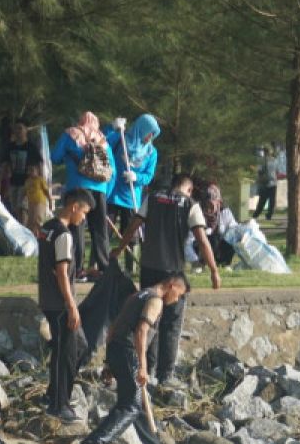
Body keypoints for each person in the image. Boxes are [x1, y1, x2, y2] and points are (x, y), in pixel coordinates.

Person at [113, 173, 220, 387]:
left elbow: (134, 225)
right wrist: (214, 270)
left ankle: (148, 370)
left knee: (150, 318)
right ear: (188, 189)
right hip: (173, 274)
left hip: (149, 269)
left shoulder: (152, 198)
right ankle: (165, 376)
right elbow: (202, 239)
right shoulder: (189, 204)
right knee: (171, 323)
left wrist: (119, 248)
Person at [77, 272, 189, 444]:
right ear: (171, 285)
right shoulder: (156, 300)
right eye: (179, 294)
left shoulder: (138, 295)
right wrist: (143, 366)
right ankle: (95, 441)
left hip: (117, 350)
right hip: (129, 353)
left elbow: (113, 327)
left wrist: (109, 362)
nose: (177, 299)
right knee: (131, 405)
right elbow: (141, 331)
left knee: (138, 404)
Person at [37, 188, 93, 423]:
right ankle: (59, 404)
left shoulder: (46, 227)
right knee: (65, 353)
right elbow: (61, 272)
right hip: (60, 303)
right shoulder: (64, 235)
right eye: (84, 212)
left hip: (48, 299)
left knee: (78, 346)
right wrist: (72, 306)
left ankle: (53, 395)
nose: (84, 219)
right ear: (74, 207)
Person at [50, 112, 117, 280]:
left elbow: (54, 156)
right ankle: (104, 267)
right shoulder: (103, 140)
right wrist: (105, 193)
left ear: (80, 121)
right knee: (100, 230)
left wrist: (69, 156)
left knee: (77, 227)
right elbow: (113, 171)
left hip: (77, 187)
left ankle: (78, 269)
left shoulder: (71, 134)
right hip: (100, 189)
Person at [106, 114, 161, 274]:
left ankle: (132, 267)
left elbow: (148, 176)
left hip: (131, 198)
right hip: (113, 193)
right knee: (105, 232)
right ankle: (101, 265)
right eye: (149, 132)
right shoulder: (120, 139)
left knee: (131, 233)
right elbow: (103, 143)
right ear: (141, 129)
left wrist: (137, 177)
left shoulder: (151, 152)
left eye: (153, 133)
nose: (150, 136)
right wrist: (113, 127)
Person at [0, 122, 41, 220]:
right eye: (16, 129)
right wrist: (0, 181)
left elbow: (38, 166)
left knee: (22, 209)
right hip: (13, 182)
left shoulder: (31, 147)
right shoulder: (10, 147)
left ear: (26, 130)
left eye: (20, 128)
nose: (18, 131)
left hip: (27, 183)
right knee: (13, 209)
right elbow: (5, 165)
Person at [24, 163, 52, 235]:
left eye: (32, 170)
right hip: (31, 203)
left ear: (37, 171)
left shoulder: (40, 180)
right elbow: (25, 192)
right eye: (29, 171)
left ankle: (41, 235)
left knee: (37, 220)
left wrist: (50, 201)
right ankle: (32, 235)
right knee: (30, 220)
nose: (30, 172)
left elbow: (46, 191)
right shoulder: (27, 181)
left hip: (39, 202)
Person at [253, 145, 278, 220]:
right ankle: (269, 215)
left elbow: (259, 171)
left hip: (265, 183)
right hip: (273, 182)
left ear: (264, 152)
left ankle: (256, 215)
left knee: (262, 201)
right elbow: (277, 170)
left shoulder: (262, 160)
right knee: (272, 201)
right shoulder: (274, 160)